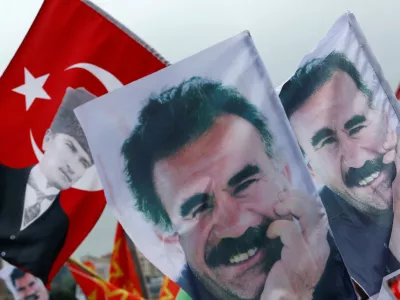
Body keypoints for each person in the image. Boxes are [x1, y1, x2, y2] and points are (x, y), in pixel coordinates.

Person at [121, 77, 357, 300]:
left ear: (284, 176)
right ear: (169, 237)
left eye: (245, 184)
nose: (235, 225)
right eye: (198, 207)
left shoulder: (359, 255)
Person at [279, 51, 400, 295]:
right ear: (311, 170)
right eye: (327, 143)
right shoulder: (320, 250)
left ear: (383, 116)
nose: (355, 158)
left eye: (357, 125)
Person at [0, 87, 95, 283]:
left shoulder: (61, 224)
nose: (72, 166)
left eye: (84, 162)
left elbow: (39, 277)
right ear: (47, 138)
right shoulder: (3, 177)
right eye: (70, 147)